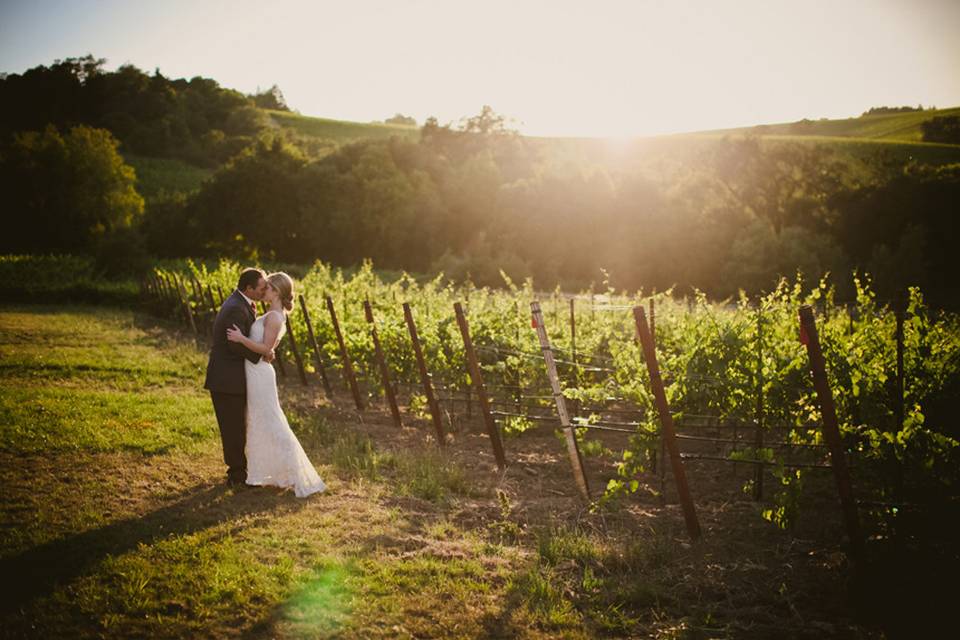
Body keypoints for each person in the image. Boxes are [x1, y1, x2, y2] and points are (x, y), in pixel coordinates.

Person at [226, 272, 326, 498]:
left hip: (259, 374)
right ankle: (263, 471)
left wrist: (241, 338)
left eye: (268, 287)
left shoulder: (275, 317)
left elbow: (265, 349)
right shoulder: (272, 314)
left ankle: (295, 471)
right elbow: (268, 350)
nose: (264, 291)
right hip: (254, 372)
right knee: (259, 420)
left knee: (270, 420)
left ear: (278, 292)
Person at [205, 268, 273, 487]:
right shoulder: (236, 308)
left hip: (233, 378)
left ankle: (240, 471)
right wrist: (263, 353)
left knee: (238, 426)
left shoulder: (241, 303)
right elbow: (234, 344)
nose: (264, 291)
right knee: (233, 428)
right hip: (227, 380)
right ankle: (236, 475)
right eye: (261, 288)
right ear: (249, 288)